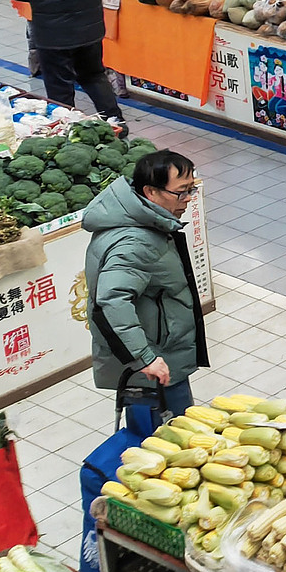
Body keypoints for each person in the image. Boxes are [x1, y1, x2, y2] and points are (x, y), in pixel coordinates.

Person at [87, 150, 207, 416]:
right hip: (155, 367)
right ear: (150, 192)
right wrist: (145, 358)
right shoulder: (135, 241)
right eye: (181, 192)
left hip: (161, 358)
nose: (187, 199)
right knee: (167, 441)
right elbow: (110, 301)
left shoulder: (142, 222)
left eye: (191, 189)